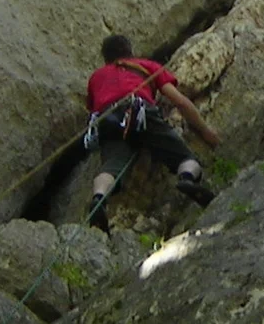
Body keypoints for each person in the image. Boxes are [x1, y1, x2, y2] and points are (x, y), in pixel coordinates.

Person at [83, 34, 222, 228]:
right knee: (183, 157)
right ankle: (187, 178)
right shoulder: (147, 66)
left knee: (111, 166)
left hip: (108, 121)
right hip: (139, 111)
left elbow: (92, 107)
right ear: (130, 52)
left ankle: (99, 198)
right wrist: (205, 131)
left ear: (106, 58)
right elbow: (180, 101)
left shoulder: (96, 77)